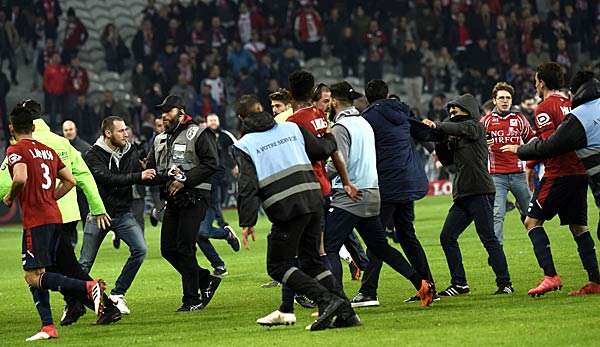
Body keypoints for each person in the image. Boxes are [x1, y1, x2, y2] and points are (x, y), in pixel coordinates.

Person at [234, 110, 361, 331]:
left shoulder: (245, 144)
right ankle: (346, 313)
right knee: (311, 261)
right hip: (314, 199)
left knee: (278, 266)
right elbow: (321, 150)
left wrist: (247, 220)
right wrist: (330, 137)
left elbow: (247, 186)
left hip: (286, 208)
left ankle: (326, 300)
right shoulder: (292, 128)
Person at [0, 100, 120, 327]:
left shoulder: (20, 147)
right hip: (64, 213)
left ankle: (99, 303)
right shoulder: (60, 143)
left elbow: (9, 180)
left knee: (44, 271)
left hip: (39, 217)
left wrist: (8, 197)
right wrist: (97, 207)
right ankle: (75, 305)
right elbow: (81, 176)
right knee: (61, 265)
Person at [324, 81, 434, 307]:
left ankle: (337, 303)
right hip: (374, 191)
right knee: (381, 247)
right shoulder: (363, 123)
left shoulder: (342, 127)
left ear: (334, 101)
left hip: (351, 194)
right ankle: (422, 284)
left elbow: (338, 161)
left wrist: (315, 172)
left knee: (329, 248)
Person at [500, 64, 598, 296]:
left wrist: (522, 150)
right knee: (579, 227)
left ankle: (550, 276)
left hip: (558, 174)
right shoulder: (571, 105)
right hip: (580, 173)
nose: (535, 85)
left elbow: (550, 146)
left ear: (541, 83)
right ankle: (595, 280)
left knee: (531, 222)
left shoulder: (544, 107)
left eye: (536, 81)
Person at [422, 94, 513, 296]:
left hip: (480, 191)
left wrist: (438, 126)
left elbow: (458, 127)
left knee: (488, 238)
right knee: (447, 237)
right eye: (450, 110)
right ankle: (459, 284)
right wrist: (440, 140)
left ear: (469, 110)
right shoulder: (457, 133)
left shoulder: (475, 127)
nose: (452, 113)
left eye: (456, 109)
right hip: (464, 193)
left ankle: (505, 283)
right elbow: (447, 162)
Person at [146, 95, 222, 311]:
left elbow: (212, 164)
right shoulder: (160, 139)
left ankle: (192, 299)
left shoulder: (198, 132)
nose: (163, 115)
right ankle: (205, 279)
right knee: (168, 249)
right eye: (162, 111)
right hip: (173, 198)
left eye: (168, 110)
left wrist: (185, 180)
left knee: (184, 247)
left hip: (195, 196)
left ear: (180, 111)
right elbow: (152, 167)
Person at [80, 116, 152, 315]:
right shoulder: (93, 154)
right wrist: (139, 176)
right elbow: (108, 179)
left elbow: (141, 173)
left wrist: (155, 174)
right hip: (99, 214)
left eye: (126, 129)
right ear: (108, 134)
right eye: (121, 131)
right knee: (84, 262)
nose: (126, 133)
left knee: (140, 249)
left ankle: (117, 294)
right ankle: (73, 302)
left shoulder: (130, 149)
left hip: (122, 213)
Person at [480, 82, 534, 244]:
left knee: (532, 213)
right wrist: (483, 144)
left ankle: (539, 243)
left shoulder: (519, 119)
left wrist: (522, 148)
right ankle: (497, 253)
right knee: (497, 214)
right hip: (497, 177)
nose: (505, 101)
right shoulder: (485, 122)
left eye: (508, 98)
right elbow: (476, 146)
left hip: (518, 175)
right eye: (501, 98)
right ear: (494, 101)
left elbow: (531, 139)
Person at [196, 113, 241, 277]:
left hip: (207, 197)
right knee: (197, 235)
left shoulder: (212, 145)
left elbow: (220, 169)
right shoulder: (190, 149)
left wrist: (206, 186)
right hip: (192, 199)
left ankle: (225, 233)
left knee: (202, 233)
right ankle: (219, 266)